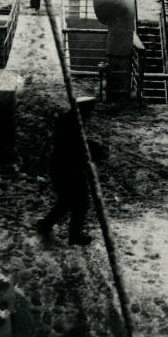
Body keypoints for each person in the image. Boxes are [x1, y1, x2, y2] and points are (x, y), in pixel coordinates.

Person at [35, 96, 106, 245]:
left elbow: (80, 143)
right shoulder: (71, 123)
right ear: (83, 109)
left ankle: (47, 226)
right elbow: (75, 146)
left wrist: (94, 148)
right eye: (90, 110)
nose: (91, 114)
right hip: (67, 168)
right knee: (80, 203)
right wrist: (96, 151)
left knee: (67, 201)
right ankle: (73, 235)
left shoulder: (71, 120)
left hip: (67, 167)